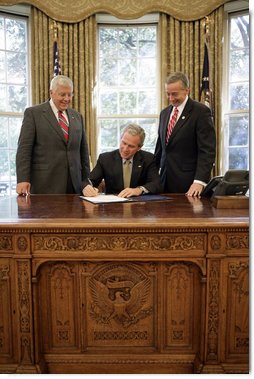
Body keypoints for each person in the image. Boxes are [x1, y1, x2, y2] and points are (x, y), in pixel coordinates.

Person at [16, 75, 90, 195]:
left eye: (69, 94)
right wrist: (23, 179)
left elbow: (83, 153)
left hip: (74, 185)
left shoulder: (77, 117)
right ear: (51, 93)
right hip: (45, 184)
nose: (66, 99)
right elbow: (24, 150)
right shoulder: (34, 114)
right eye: (62, 94)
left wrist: (86, 181)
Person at [154, 72, 216, 197]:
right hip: (164, 182)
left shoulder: (200, 112)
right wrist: (151, 177)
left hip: (190, 185)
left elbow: (207, 150)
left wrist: (199, 181)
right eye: (168, 94)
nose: (171, 98)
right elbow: (160, 148)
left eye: (174, 94)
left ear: (187, 90)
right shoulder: (164, 113)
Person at [83, 123, 163, 198]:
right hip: (113, 206)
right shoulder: (105, 158)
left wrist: (138, 190)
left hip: (139, 206)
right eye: (124, 143)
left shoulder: (148, 158)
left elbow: (156, 184)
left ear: (139, 147)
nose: (125, 149)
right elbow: (89, 181)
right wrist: (86, 187)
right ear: (120, 139)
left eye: (131, 146)